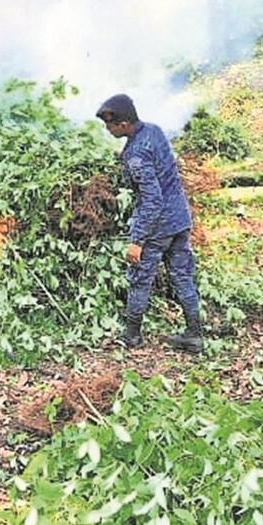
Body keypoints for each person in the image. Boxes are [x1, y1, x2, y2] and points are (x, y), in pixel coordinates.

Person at [96, 93, 203, 354]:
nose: (107, 130)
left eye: (110, 126)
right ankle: (194, 335)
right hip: (180, 218)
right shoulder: (152, 131)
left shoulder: (135, 154)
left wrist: (137, 241)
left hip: (158, 226)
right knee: (182, 276)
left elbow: (152, 199)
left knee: (140, 279)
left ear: (123, 125)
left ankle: (131, 335)